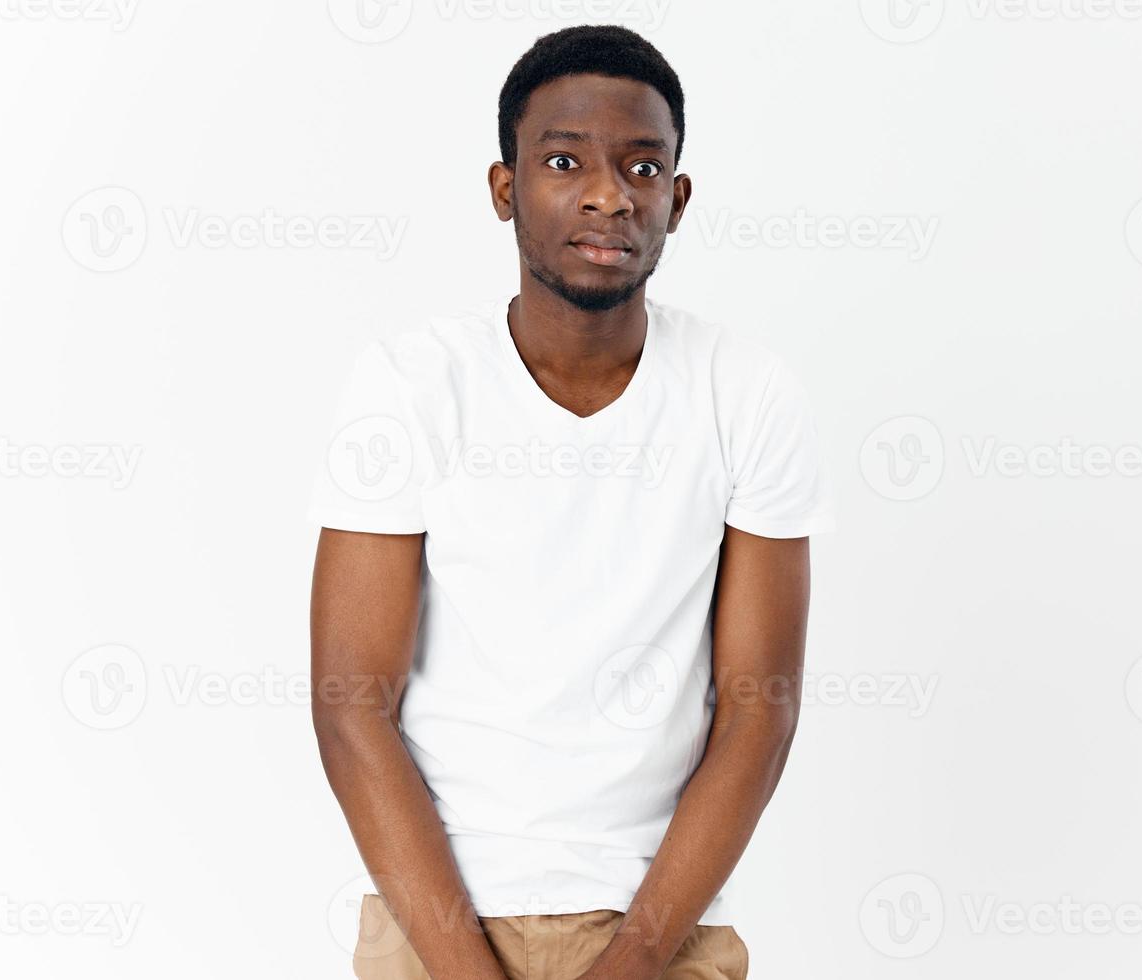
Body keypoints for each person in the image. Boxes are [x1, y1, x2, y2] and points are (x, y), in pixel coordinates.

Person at [307, 24, 835, 980]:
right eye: (564, 161)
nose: (608, 194)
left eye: (642, 168)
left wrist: (636, 956)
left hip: (661, 927)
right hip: (435, 928)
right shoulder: (411, 385)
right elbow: (352, 705)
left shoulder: (745, 391)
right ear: (505, 189)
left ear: (676, 200)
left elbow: (760, 708)